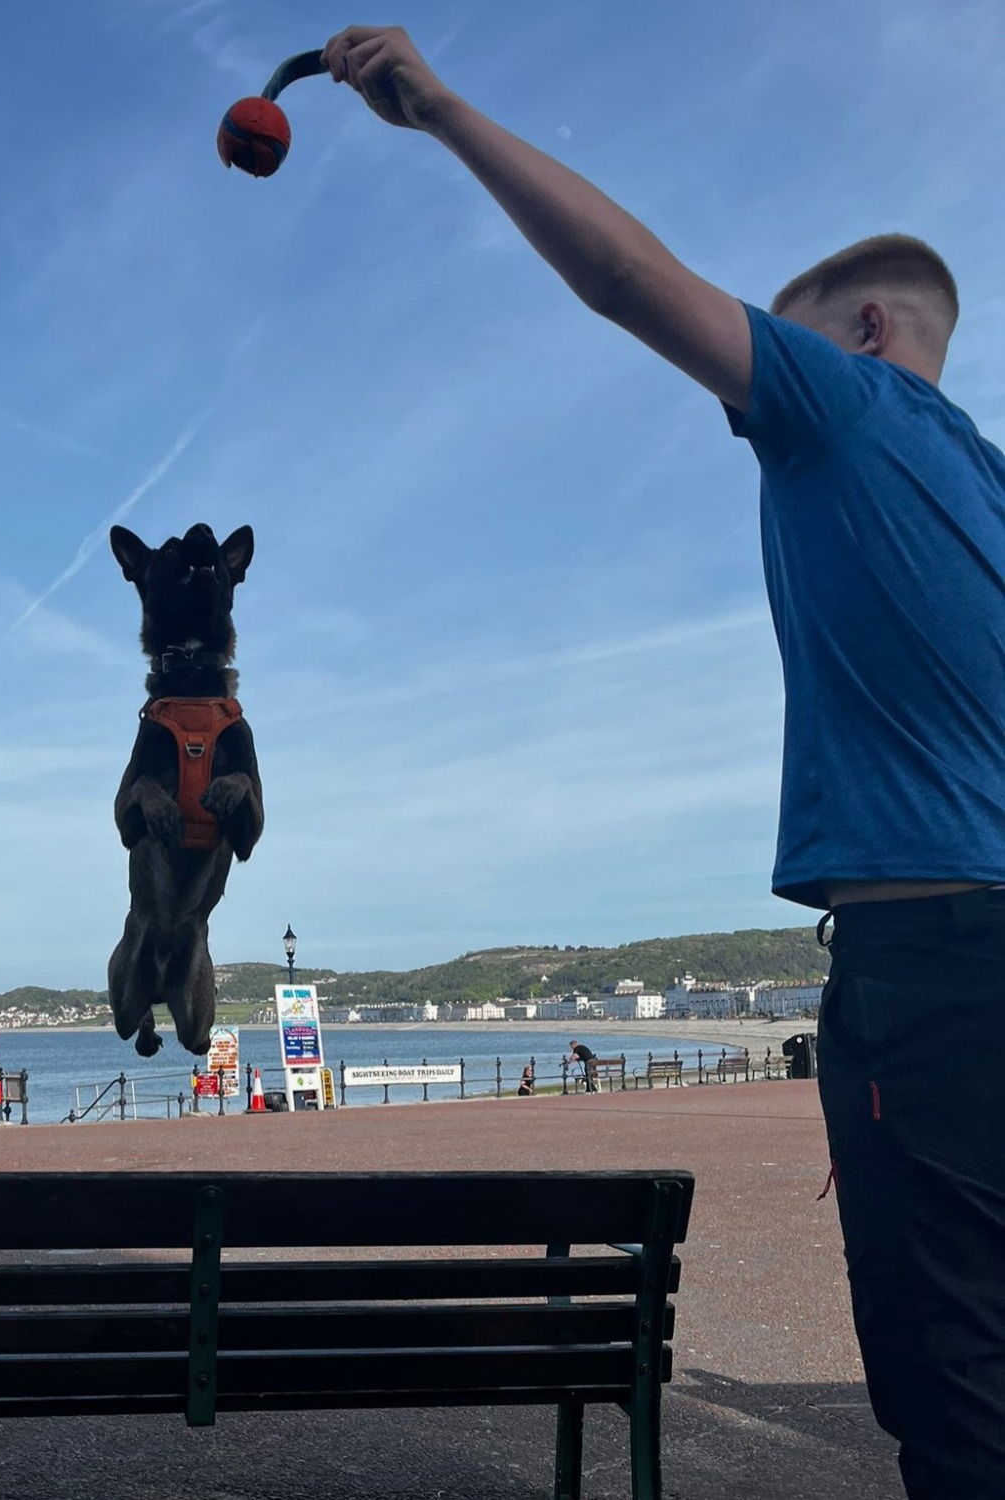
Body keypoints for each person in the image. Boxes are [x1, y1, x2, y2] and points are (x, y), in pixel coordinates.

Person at [321, 26, 1005, 1497]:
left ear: (870, 332)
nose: (739, 379)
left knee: (958, 1375)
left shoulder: (851, 412)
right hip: (968, 959)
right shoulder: (987, 488)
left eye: (786, 329)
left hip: (931, 962)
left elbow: (633, 282)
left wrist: (435, 108)